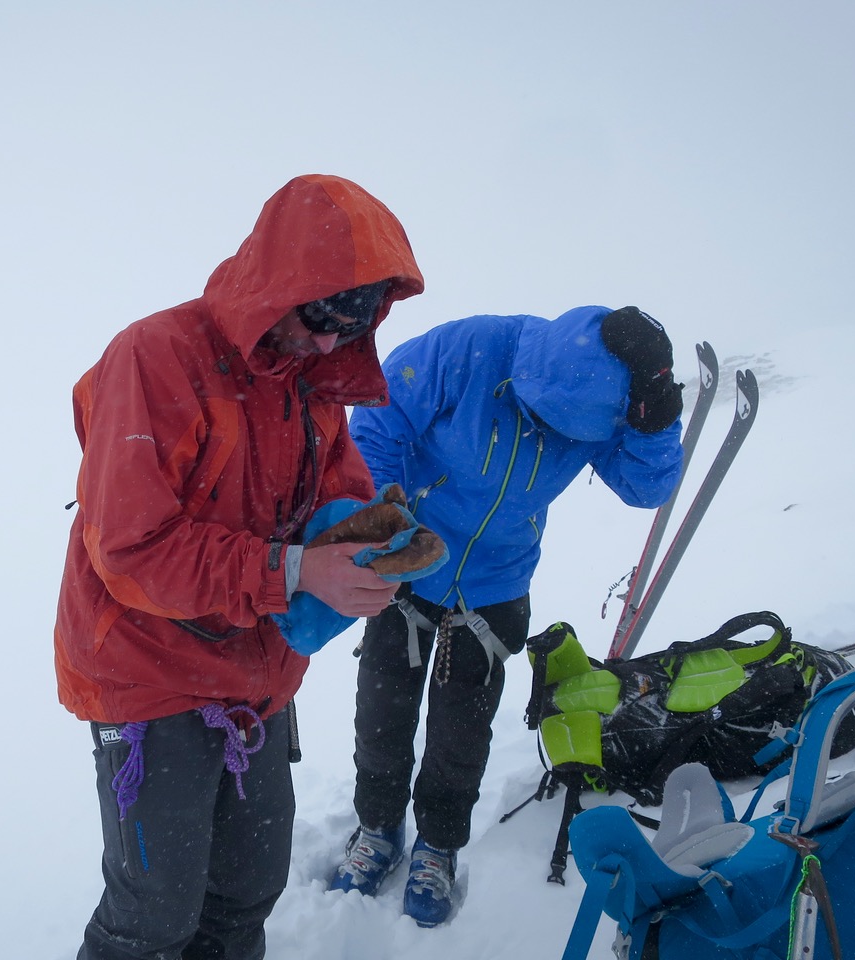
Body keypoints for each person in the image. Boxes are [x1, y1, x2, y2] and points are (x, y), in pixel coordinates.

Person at [54, 174, 425, 960]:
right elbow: (128, 547)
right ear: (277, 287)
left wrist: (366, 539)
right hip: (149, 675)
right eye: (320, 317)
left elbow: (337, 490)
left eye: (349, 326)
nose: (329, 343)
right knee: (151, 918)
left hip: (256, 678)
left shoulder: (312, 381)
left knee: (246, 893)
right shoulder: (155, 357)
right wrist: (294, 571)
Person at [327, 304, 686, 927]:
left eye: (560, 430)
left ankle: (437, 845)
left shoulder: (609, 405)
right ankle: (377, 827)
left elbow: (646, 489)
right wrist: (390, 524)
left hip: (496, 584)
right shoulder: (469, 349)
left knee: (463, 731)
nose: (542, 432)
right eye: (532, 412)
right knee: (382, 711)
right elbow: (378, 425)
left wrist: (655, 418)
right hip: (408, 562)